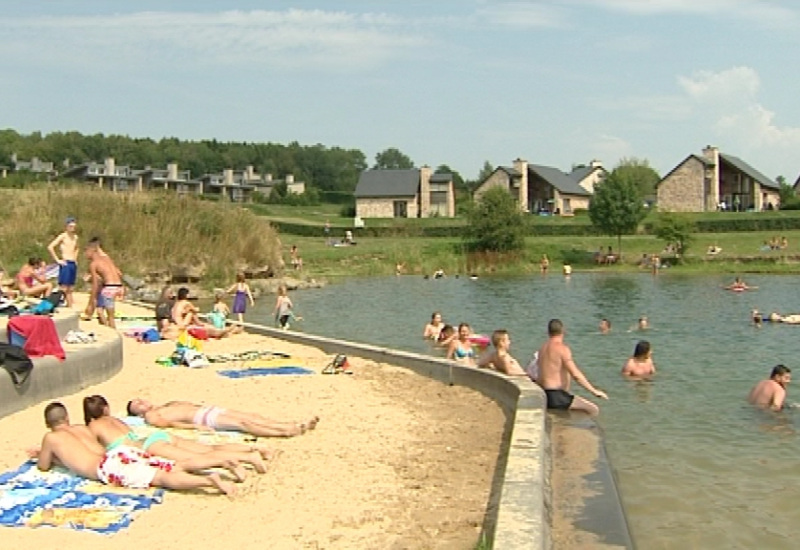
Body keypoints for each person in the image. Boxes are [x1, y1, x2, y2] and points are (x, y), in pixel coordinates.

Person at [30, 402, 236, 496]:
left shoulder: (51, 437)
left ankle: (209, 480)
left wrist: (43, 454)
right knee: (171, 465)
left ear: (48, 423)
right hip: (119, 453)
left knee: (161, 478)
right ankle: (220, 461)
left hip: (106, 467)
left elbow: (44, 466)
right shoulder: (81, 428)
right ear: (66, 418)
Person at [83, 395, 266, 475]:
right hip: (156, 438)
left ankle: (248, 458)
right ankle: (252, 450)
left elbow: (95, 452)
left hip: (150, 446)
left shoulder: (94, 427)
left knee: (200, 457)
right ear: (106, 408)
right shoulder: (116, 420)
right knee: (209, 448)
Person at [126, 398, 319, 438]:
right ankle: (286, 432)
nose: (143, 402)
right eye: (138, 405)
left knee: (251, 416)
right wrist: (194, 428)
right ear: (138, 413)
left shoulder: (163, 405)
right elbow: (168, 424)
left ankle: (291, 424)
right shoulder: (150, 416)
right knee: (244, 423)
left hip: (208, 409)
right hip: (202, 419)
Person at [536, 319, 608, 415]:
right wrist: (594, 391)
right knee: (593, 409)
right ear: (563, 331)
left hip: (545, 394)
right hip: (557, 396)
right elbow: (575, 374)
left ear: (548, 332)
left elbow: (540, 373)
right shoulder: (562, 349)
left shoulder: (542, 348)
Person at [85, 241, 124, 329]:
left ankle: (110, 331)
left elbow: (95, 285)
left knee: (106, 315)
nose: (85, 254)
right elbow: (119, 273)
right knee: (105, 312)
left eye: (86, 251)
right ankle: (107, 327)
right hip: (119, 287)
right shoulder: (107, 259)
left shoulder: (94, 264)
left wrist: (90, 303)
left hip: (109, 288)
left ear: (92, 251)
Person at [47, 217, 79, 308]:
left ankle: (69, 305)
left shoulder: (75, 237)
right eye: (70, 226)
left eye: (73, 226)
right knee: (64, 287)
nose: (72, 228)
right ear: (66, 226)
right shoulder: (63, 236)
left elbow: (77, 248)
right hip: (65, 262)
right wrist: (57, 260)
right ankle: (54, 304)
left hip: (72, 263)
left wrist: (75, 259)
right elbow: (50, 247)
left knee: (70, 287)